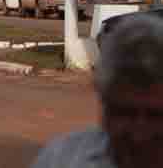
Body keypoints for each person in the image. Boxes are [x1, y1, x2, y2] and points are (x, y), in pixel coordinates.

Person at [31, 13, 163, 168]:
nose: (139, 135)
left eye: (155, 115)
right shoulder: (61, 160)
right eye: (125, 113)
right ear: (105, 107)